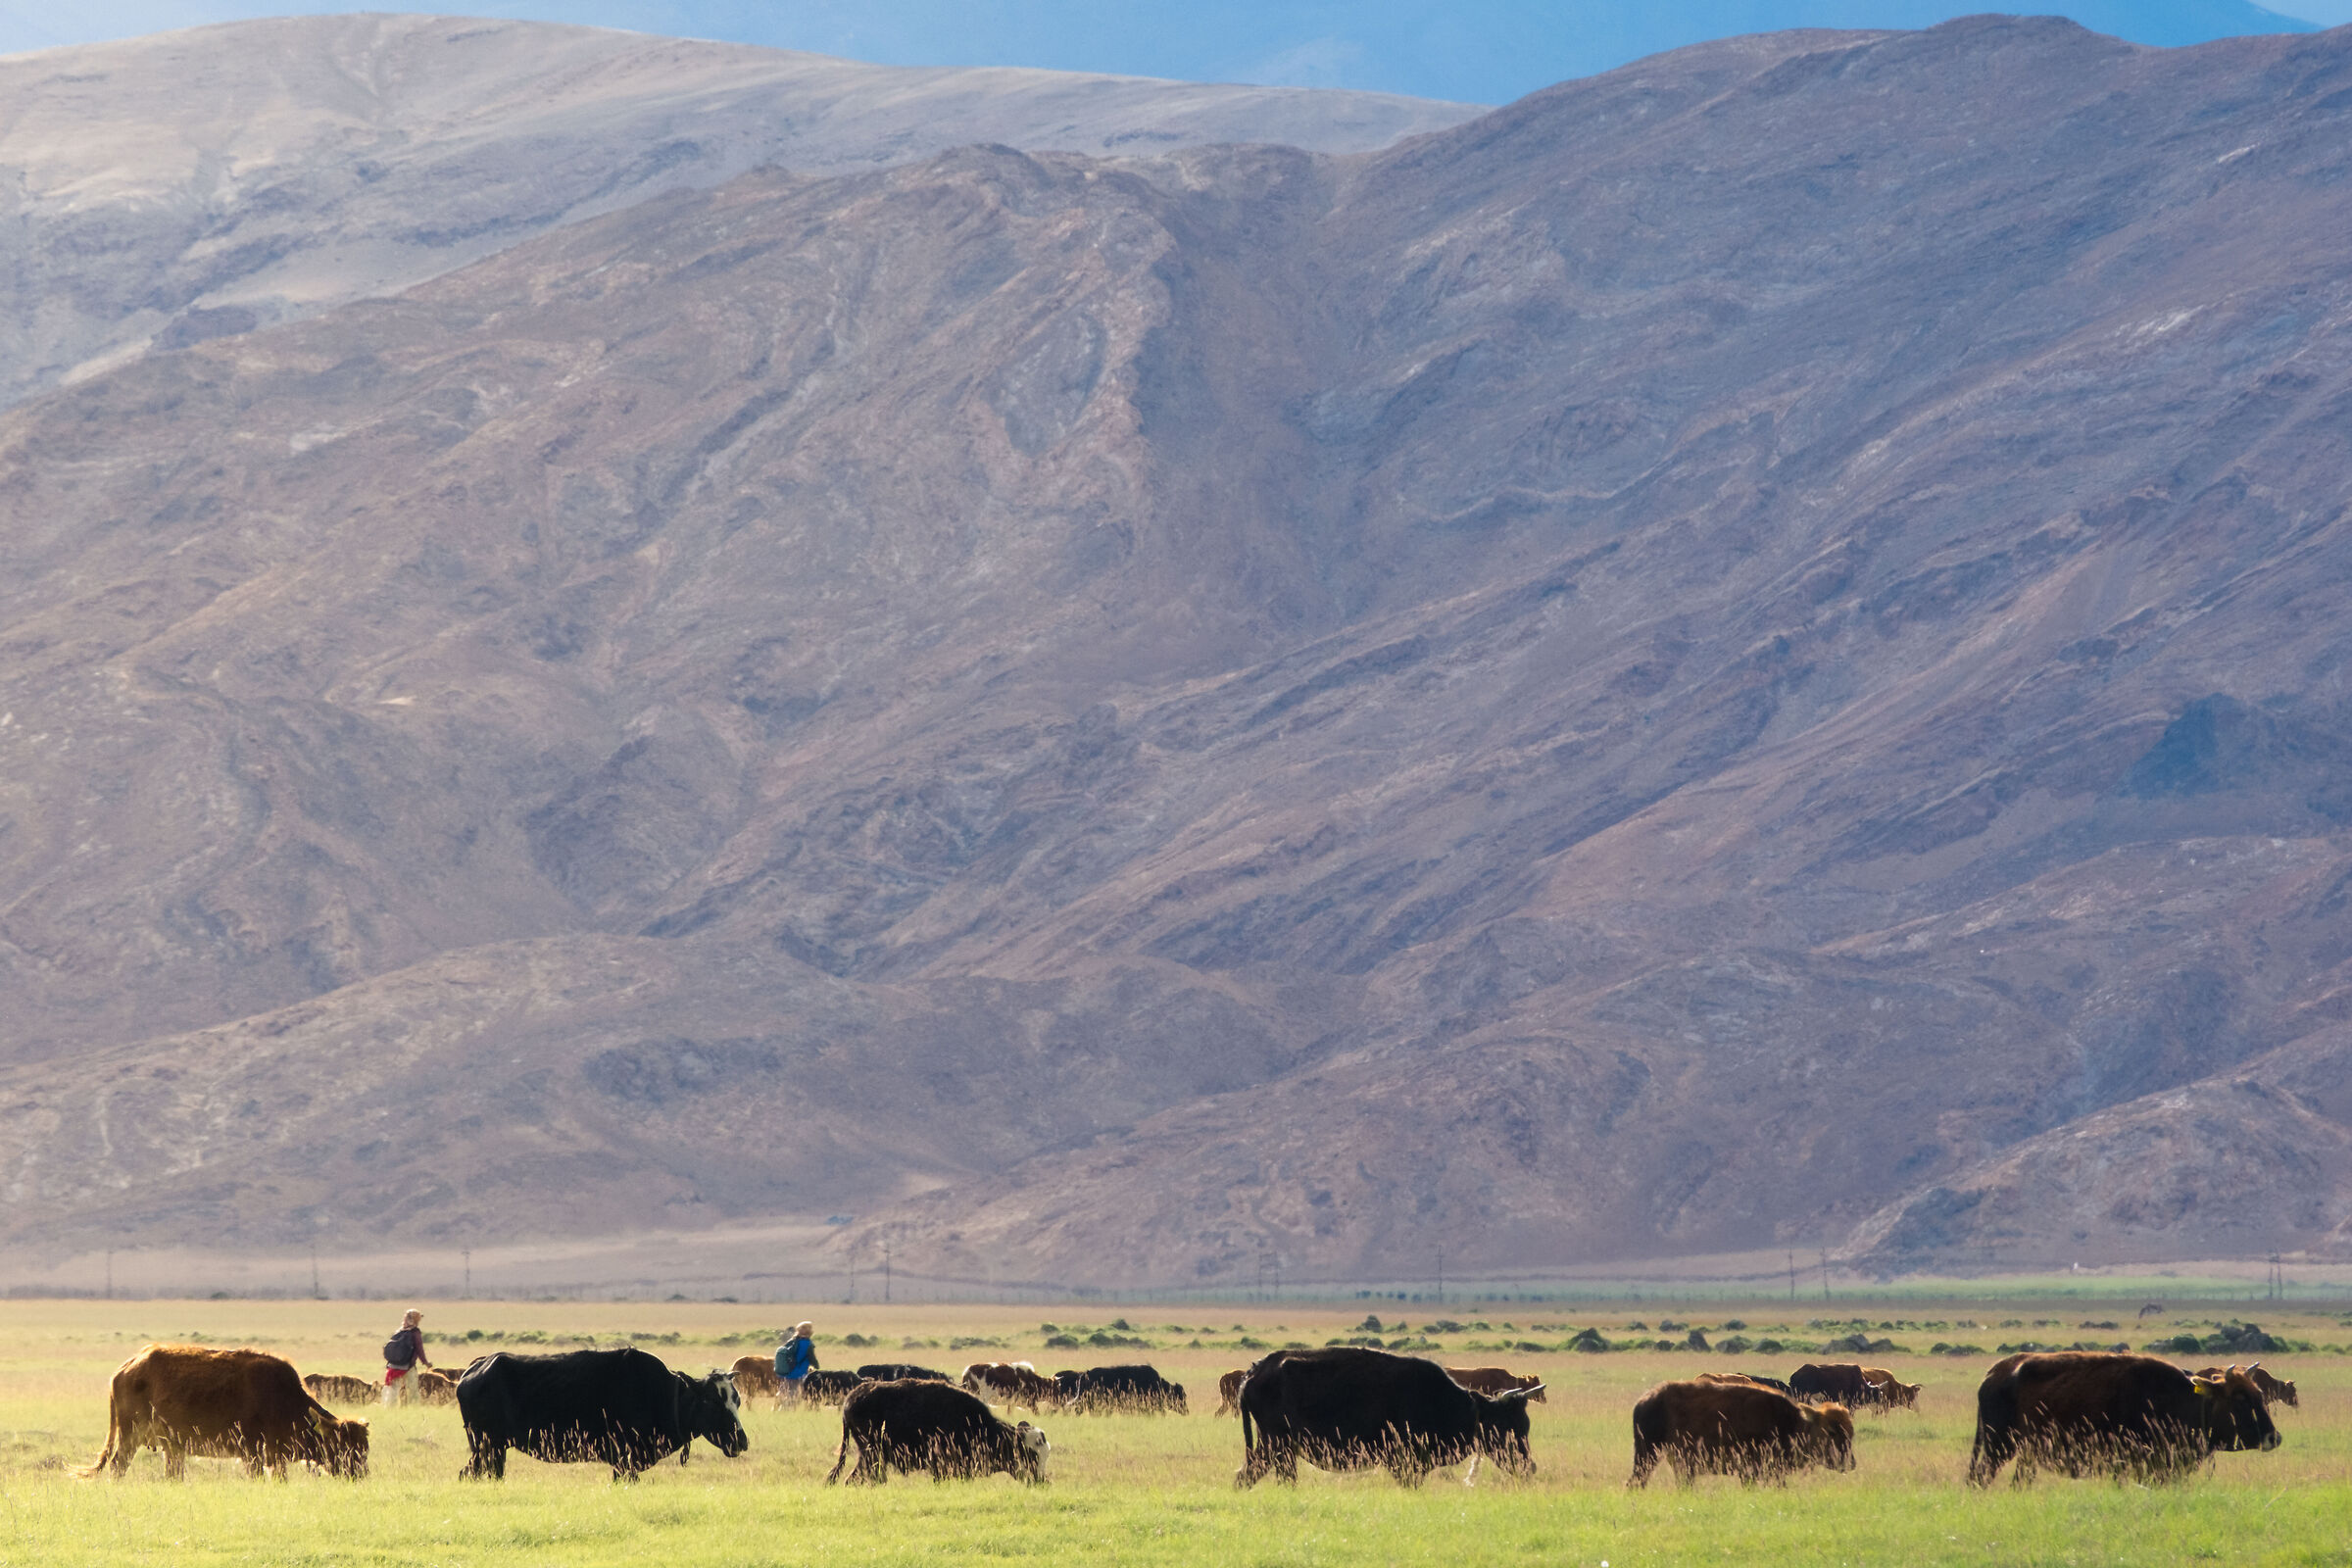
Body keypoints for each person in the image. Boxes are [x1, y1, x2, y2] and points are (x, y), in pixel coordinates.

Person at [382, 1307, 433, 1405]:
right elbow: (419, 1349)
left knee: (393, 1389)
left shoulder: (399, 1331)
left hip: (393, 1366)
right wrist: (426, 1363)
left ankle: (389, 1407)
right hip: (408, 1366)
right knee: (412, 1390)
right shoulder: (415, 1332)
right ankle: (413, 1408)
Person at [773, 1321, 816, 1404]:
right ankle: (788, 1409)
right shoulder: (808, 1343)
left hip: (787, 1371)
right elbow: (812, 1358)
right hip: (799, 1372)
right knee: (795, 1394)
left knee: (784, 1390)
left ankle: (777, 1406)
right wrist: (817, 1366)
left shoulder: (792, 1341)